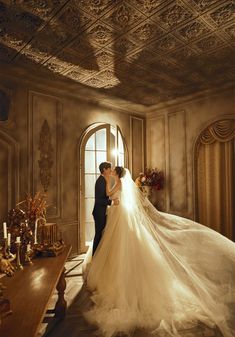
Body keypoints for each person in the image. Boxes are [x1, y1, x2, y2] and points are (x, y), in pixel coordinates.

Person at [84, 167, 235, 337]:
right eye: (109, 170)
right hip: (122, 213)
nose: (111, 171)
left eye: (113, 171)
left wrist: (108, 186)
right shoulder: (120, 182)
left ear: (117, 174)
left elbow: (110, 195)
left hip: (119, 213)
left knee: (118, 243)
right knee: (121, 243)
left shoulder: (116, 183)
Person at [92, 162, 119, 255]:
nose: (111, 170)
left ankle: (97, 257)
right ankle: (94, 257)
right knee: (98, 235)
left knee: (101, 235)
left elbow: (106, 194)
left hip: (102, 211)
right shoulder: (101, 181)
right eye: (109, 169)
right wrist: (112, 202)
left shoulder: (103, 180)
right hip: (99, 212)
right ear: (104, 170)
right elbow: (99, 200)